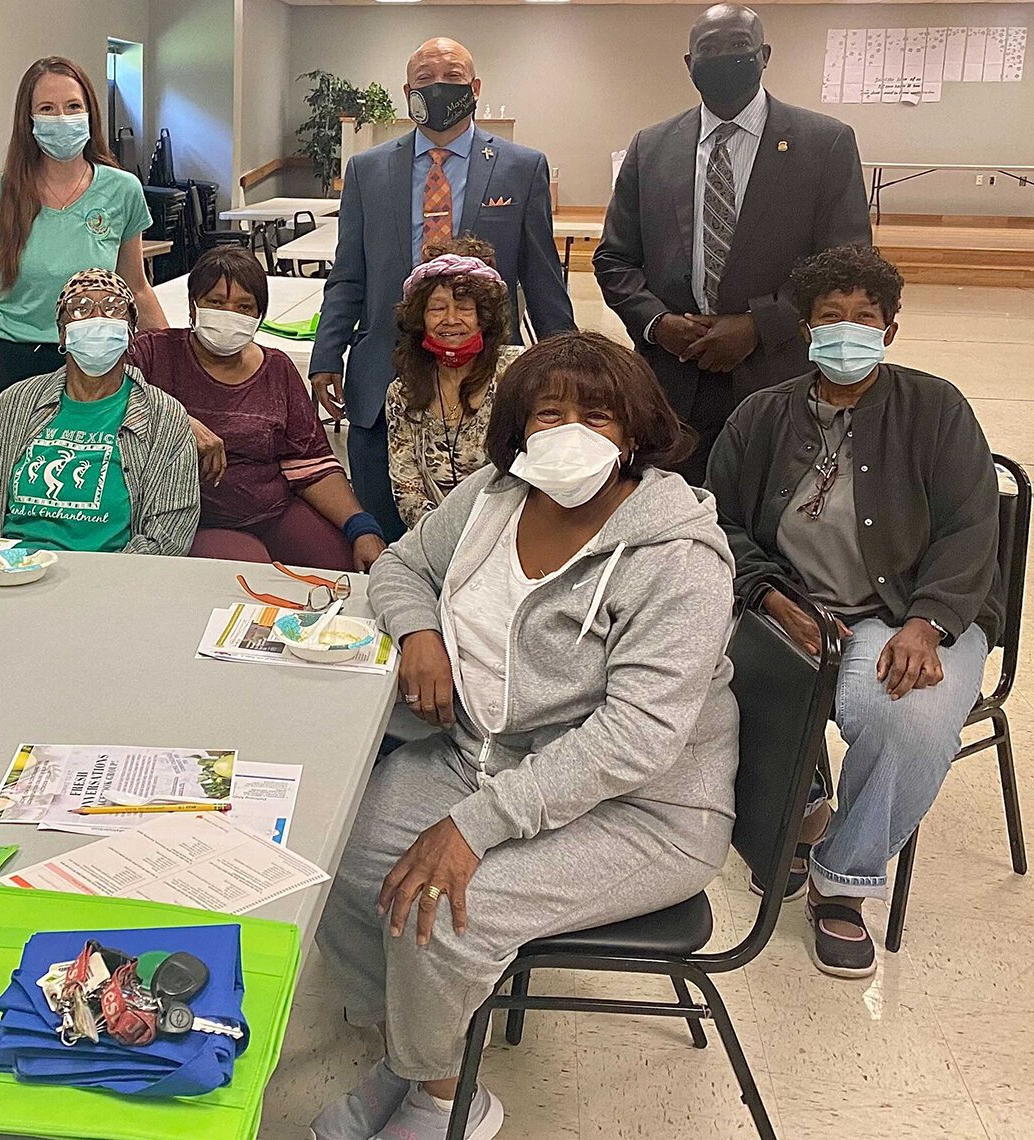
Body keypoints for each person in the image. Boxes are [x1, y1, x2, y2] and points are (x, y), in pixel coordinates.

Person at [314, 332, 738, 1140]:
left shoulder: (676, 559)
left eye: (598, 416)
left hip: (645, 810)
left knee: (435, 908)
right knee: (345, 854)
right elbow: (401, 568)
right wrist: (420, 637)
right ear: (518, 428)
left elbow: (637, 739)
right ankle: (407, 1055)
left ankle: (447, 1100)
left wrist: (473, 829)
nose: (571, 433)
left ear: (636, 432)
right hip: (489, 756)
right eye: (550, 413)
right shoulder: (492, 497)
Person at [706, 244, 1000, 979]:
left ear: (890, 330)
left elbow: (972, 531)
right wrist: (771, 597)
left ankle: (843, 881)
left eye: (863, 319)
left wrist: (925, 623)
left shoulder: (937, 409)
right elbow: (718, 524)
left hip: (908, 611)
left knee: (908, 717)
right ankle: (802, 803)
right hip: (787, 605)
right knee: (712, 674)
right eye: (830, 318)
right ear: (806, 329)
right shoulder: (761, 416)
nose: (846, 331)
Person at [310, 36, 574, 542]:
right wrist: (326, 357)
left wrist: (567, 365)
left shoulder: (522, 167)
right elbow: (349, 274)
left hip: (487, 381)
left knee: (493, 534)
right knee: (384, 534)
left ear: (474, 88)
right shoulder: (367, 170)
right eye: (425, 80)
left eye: (451, 78)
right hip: (383, 372)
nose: (438, 88)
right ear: (408, 91)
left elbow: (542, 279)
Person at [594, 3, 871, 484]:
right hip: (670, 382)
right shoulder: (650, 147)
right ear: (689, 63)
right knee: (669, 518)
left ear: (764, 54)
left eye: (738, 47)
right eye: (709, 49)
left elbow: (846, 266)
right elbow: (615, 259)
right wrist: (657, 324)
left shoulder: (823, 143)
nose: (723, 57)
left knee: (768, 511)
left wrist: (758, 326)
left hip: (775, 373)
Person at [0, 56, 167, 452]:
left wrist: (173, 366)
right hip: (2, 363)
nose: (61, 118)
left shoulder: (122, 190)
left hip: (92, 361)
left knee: (84, 494)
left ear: (90, 114)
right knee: (4, 500)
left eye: (72, 107)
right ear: (28, 121)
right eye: (46, 109)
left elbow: (137, 288)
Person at [130, 247, 385, 572]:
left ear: (259, 316)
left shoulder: (277, 369)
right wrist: (177, 420)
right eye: (216, 302)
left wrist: (360, 526)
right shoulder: (155, 354)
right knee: (255, 575)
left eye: (244, 306)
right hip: (197, 519)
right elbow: (97, 388)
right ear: (193, 306)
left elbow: (311, 461)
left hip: (273, 509)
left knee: (346, 569)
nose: (228, 313)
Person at [0, 269, 197, 554]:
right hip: (11, 575)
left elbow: (168, 536)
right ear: (61, 334)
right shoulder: (16, 403)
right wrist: (2, 567)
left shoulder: (163, 416)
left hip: (109, 580)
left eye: (113, 308)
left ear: (131, 333)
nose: (97, 319)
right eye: (80, 309)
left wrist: (101, 583)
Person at [385, 237, 523, 529]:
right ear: (420, 318)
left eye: (464, 308)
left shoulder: (518, 374)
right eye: (437, 309)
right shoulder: (403, 391)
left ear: (484, 317)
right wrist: (440, 540)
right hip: (432, 537)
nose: (450, 319)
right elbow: (406, 487)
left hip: (509, 534)